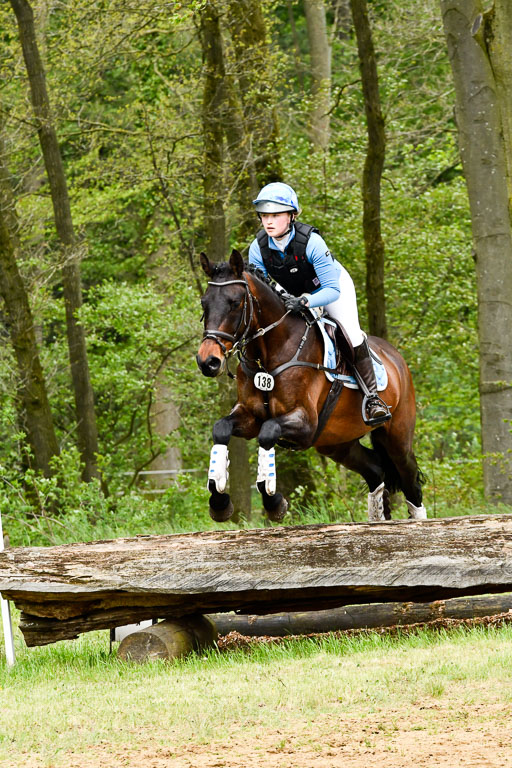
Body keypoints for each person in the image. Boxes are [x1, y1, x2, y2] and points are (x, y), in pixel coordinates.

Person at [248, 181, 391, 425]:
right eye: (264, 216)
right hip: (292, 293)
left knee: (352, 335)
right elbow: (261, 289)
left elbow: (332, 289)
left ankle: (373, 398)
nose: (268, 221)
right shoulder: (257, 249)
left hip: (329, 288)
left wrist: (305, 300)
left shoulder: (312, 243)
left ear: (291, 216)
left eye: (275, 215)